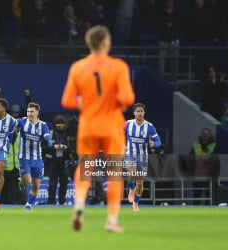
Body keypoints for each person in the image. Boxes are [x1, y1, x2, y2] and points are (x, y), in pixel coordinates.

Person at [61, 25, 135, 232]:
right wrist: (115, 102)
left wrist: (85, 102)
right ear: (105, 43)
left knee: (85, 167)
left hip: (88, 125)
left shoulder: (77, 67)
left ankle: (78, 206)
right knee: (114, 172)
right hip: (111, 125)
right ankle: (111, 219)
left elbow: (67, 100)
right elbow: (128, 98)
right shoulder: (118, 66)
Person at [125, 103, 162, 212]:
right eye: (138, 111)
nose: (140, 113)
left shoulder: (149, 127)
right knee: (131, 173)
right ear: (134, 113)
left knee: (140, 183)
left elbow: (159, 142)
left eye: (141, 111)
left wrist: (153, 144)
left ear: (144, 113)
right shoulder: (128, 124)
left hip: (142, 157)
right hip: (130, 154)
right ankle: (131, 189)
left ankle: (135, 204)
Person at [17, 102, 53, 210]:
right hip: (24, 158)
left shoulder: (43, 125)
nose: (29, 114)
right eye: (28, 111)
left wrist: (48, 141)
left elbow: (47, 135)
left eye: (32, 111)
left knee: (36, 185)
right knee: (27, 181)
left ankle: (28, 205)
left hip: (37, 159)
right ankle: (22, 183)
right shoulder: (22, 121)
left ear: (37, 112)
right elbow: (10, 124)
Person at [46, 115, 70, 205]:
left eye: (62, 125)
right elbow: (44, 147)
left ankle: (62, 201)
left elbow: (71, 147)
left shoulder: (67, 134)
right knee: (52, 183)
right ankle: (51, 201)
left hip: (63, 161)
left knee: (64, 183)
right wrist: (53, 147)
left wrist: (66, 148)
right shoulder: (50, 134)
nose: (60, 127)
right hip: (53, 161)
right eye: (58, 125)